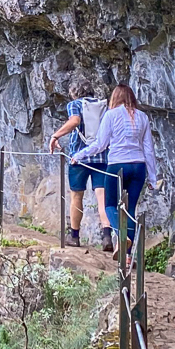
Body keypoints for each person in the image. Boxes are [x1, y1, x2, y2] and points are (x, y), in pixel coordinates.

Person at [70, 84, 159, 262]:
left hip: (117, 165)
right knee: (131, 209)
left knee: (110, 204)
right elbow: (149, 149)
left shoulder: (110, 115)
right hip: (138, 166)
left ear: (115, 98)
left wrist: (79, 155)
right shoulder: (142, 117)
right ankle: (127, 256)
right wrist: (153, 178)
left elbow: (100, 144)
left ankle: (120, 233)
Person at [49, 76, 113, 251]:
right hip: (102, 157)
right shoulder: (104, 106)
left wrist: (55, 136)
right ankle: (107, 237)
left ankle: (74, 236)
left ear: (74, 92)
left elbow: (75, 121)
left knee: (77, 196)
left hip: (79, 157)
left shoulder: (75, 105)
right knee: (103, 197)